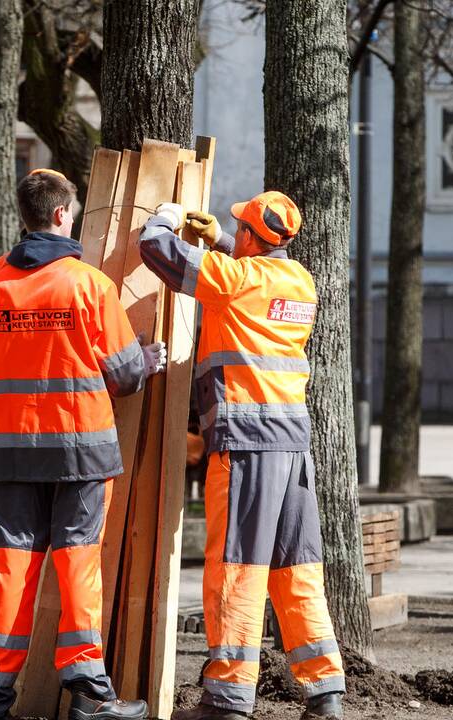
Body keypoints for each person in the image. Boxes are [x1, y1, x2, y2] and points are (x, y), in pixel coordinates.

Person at [0, 168, 166, 720]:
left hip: (13, 450)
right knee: (76, 566)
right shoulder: (89, 285)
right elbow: (122, 377)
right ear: (60, 215)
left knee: (13, 570)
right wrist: (147, 360)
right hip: (78, 450)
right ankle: (90, 695)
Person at [138, 192, 345, 720]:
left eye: (240, 230)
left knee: (237, 567)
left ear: (255, 237)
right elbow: (254, 278)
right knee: (295, 569)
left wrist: (164, 216)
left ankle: (227, 700)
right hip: (293, 446)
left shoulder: (236, 281)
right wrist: (223, 242)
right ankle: (325, 692)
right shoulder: (300, 281)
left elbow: (159, 253)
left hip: (246, 444)